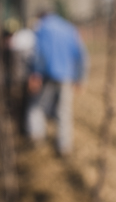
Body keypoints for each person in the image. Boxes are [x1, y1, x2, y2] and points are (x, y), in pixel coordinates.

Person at [26, 8, 88, 156]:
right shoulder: (69, 28)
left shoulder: (41, 28)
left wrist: (36, 73)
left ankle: (37, 138)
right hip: (66, 76)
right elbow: (81, 55)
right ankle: (64, 146)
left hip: (47, 75)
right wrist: (80, 78)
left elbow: (39, 52)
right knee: (64, 112)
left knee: (37, 107)